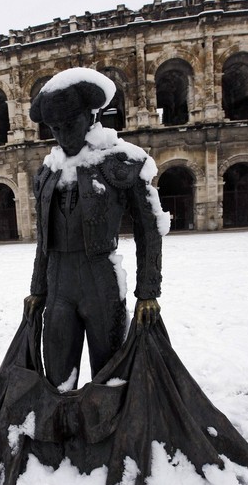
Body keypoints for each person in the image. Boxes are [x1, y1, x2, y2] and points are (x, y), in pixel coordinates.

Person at [24, 67, 169, 389]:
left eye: (70, 124)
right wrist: (38, 289)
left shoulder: (122, 160)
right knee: (57, 375)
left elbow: (150, 228)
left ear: (90, 118)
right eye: (54, 128)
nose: (62, 136)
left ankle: (106, 432)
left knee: (109, 376)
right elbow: (44, 238)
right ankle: (64, 430)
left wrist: (148, 292)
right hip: (58, 285)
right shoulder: (48, 171)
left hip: (101, 282)